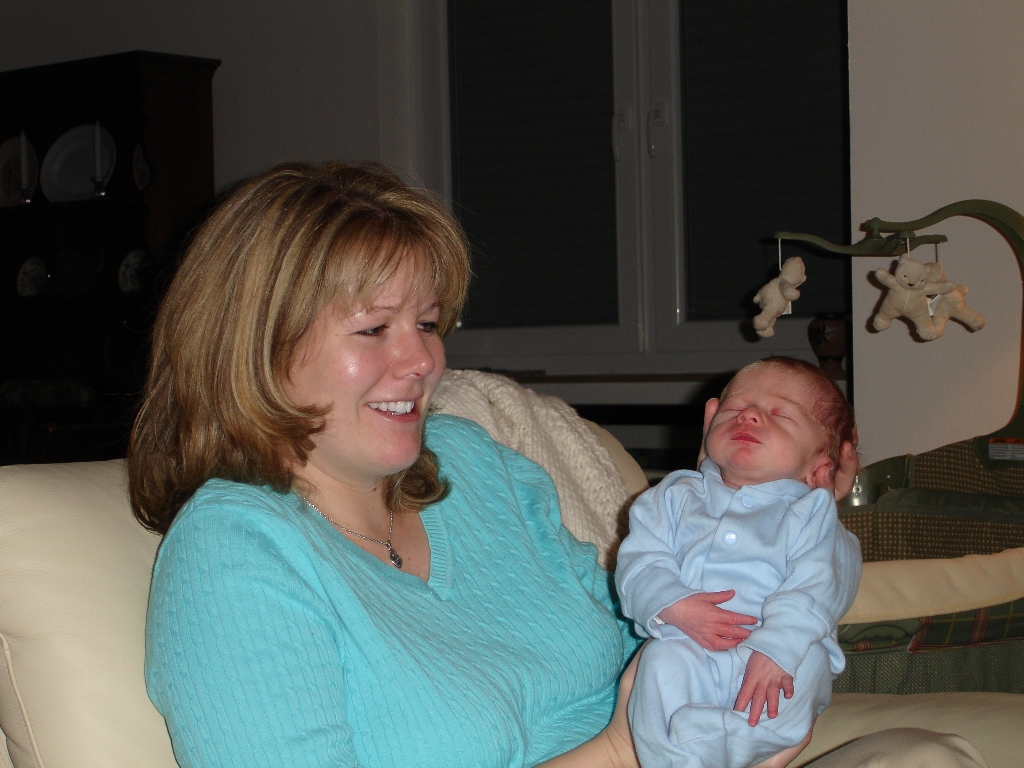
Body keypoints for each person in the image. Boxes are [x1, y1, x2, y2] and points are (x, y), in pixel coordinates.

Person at [129, 162, 988, 768]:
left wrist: (765, 508)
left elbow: (647, 622)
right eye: (373, 329)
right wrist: (620, 750)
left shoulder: (476, 468)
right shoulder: (236, 555)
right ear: (256, 347)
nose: (422, 361)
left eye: (426, 323)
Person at [616, 357, 861, 768]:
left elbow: (822, 584)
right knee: (658, 663)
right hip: (689, 645)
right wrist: (672, 604)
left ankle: (717, 744)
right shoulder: (673, 497)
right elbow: (639, 562)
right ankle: (674, 755)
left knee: (808, 665)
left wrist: (777, 647)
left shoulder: (813, 513)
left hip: (779, 655)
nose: (748, 415)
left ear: (820, 466)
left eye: (780, 415)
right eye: (733, 409)